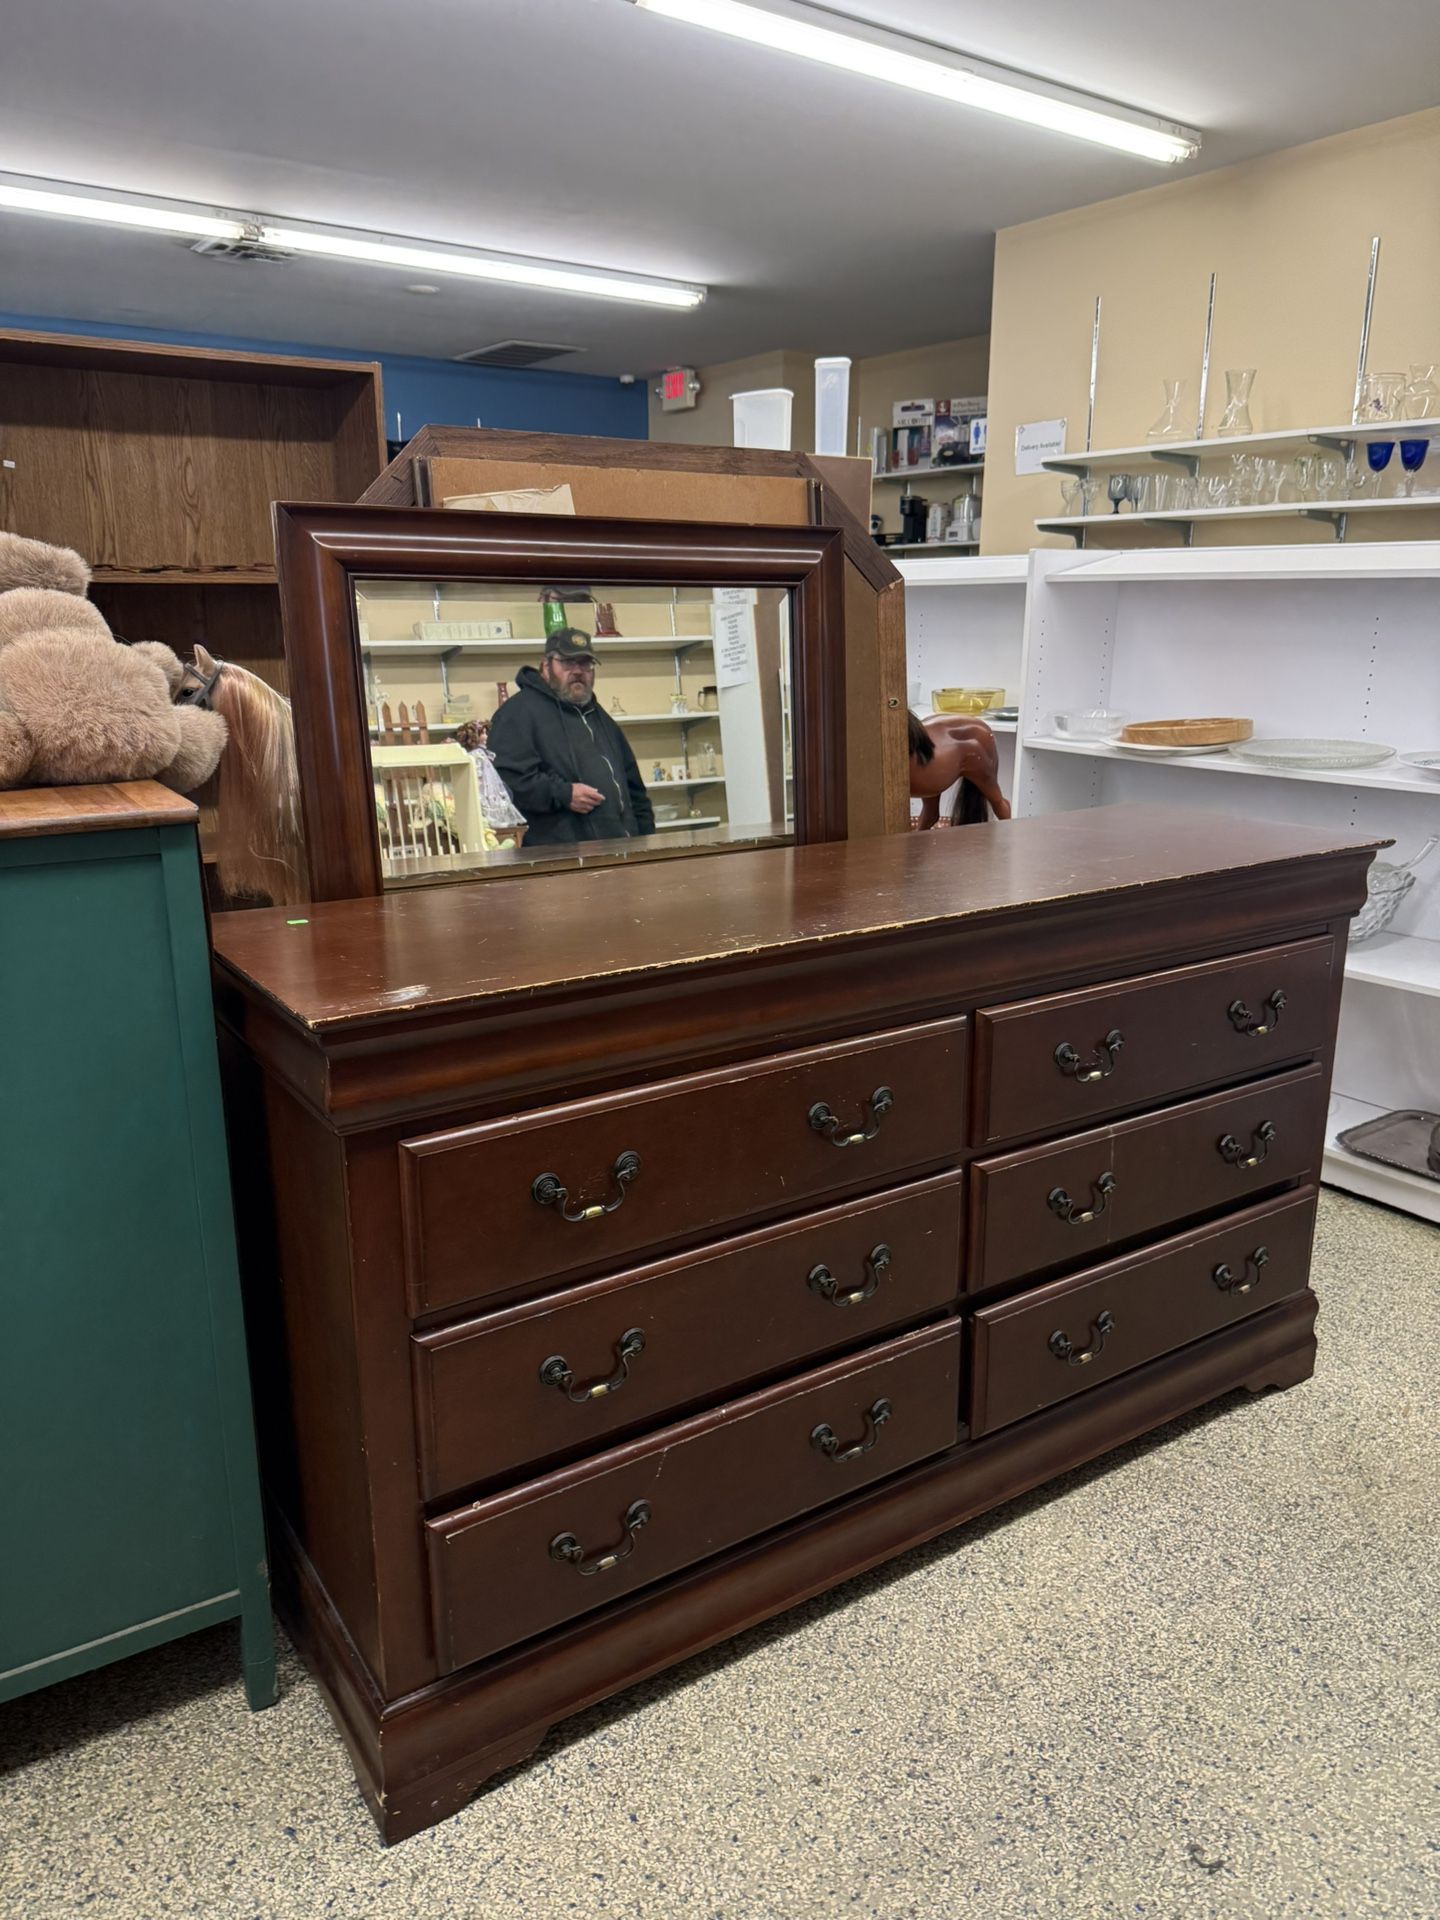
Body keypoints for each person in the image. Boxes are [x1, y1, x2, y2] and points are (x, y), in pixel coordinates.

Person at [488, 629, 655, 845]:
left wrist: (648, 841)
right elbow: (507, 781)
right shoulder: (518, 713)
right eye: (567, 662)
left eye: (585, 663)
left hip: (622, 853)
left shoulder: (600, 717)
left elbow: (635, 789)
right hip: (561, 860)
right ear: (546, 665)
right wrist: (563, 794)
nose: (577, 671)